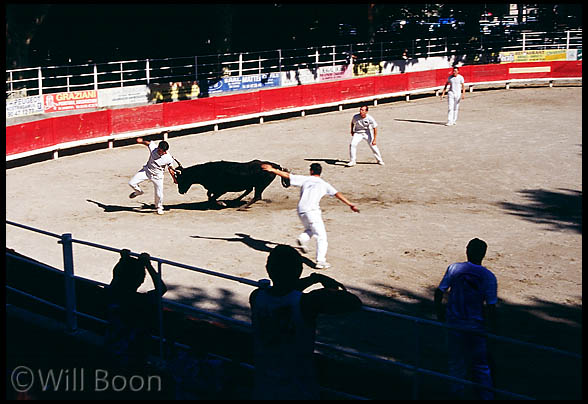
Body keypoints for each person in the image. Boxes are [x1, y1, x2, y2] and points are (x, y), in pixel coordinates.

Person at [249, 244, 362, 400]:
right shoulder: (308, 302)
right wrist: (326, 286)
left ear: (268, 269)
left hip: (264, 383)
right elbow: (354, 303)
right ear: (299, 270)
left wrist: (311, 280)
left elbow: (284, 290)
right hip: (299, 386)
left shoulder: (256, 297)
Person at [261, 163, 359, 269]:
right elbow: (337, 194)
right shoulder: (324, 184)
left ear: (311, 171)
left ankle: (303, 239)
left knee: (310, 229)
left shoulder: (305, 179)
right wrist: (350, 204)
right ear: (320, 172)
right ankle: (320, 261)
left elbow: (287, 175)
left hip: (301, 210)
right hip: (312, 211)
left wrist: (272, 170)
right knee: (321, 236)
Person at [434, 238, 497, 400]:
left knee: (456, 363)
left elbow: (440, 291)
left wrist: (439, 312)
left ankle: (457, 395)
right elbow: (491, 306)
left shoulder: (454, 268)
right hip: (475, 327)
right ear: (484, 254)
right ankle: (486, 397)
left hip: (454, 323)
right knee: (481, 365)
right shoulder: (488, 277)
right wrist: (491, 326)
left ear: (467, 250)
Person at [104, 249, 168, 369]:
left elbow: (116, 278)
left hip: (112, 345)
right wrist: (148, 265)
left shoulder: (111, 292)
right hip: (135, 350)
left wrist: (122, 260)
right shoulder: (140, 300)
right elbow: (162, 289)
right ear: (141, 280)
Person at [128, 135, 176, 215]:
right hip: (146, 171)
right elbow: (148, 143)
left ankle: (159, 207)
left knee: (159, 194)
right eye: (161, 151)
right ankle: (138, 192)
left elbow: (170, 169)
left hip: (158, 177)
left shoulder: (168, 157)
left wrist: (174, 178)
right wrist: (140, 141)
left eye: (165, 151)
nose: (163, 153)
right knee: (131, 183)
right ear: (158, 148)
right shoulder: (154, 148)